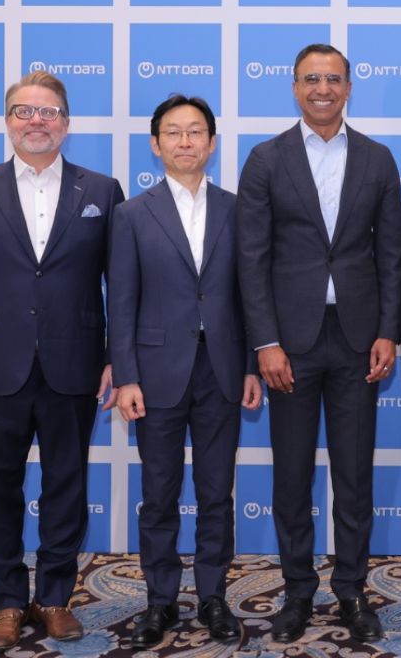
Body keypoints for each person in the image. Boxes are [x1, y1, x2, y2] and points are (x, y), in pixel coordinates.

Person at [0, 71, 125, 652]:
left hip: (75, 364)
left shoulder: (102, 191)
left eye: (48, 112)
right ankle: (9, 602)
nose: (36, 121)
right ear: (8, 121)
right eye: (24, 111)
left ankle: (56, 598)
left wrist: (116, 358)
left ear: (66, 123)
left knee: (67, 484)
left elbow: (121, 286)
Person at [237, 44, 401, 644]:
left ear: (349, 87)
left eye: (333, 78)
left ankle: (352, 590)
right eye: (311, 78)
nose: (323, 88)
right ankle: (298, 591)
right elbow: (251, 259)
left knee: (354, 476)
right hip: (291, 345)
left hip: (359, 342)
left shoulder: (378, 159)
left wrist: (388, 331)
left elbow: (392, 255)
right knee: (292, 477)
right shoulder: (265, 159)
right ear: (294, 87)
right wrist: (266, 342)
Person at [106, 95, 262, 649]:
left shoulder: (238, 209)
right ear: (156, 144)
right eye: (173, 132)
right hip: (155, 374)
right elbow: (121, 301)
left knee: (217, 492)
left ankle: (214, 597)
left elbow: (251, 296)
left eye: (196, 131)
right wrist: (126, 376)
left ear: (212, 143)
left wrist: (251, 366)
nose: (185, 141)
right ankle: (161, 600)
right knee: (159, 493)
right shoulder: (131, 214)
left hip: (223, 370)